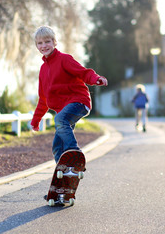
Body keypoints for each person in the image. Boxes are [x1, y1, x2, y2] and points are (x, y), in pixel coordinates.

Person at [30, 26, 108, 163]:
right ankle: (65, 172)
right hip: (64, 111)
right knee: (57, 146)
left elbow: (83, 72)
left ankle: (74, 153)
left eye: (47, 41)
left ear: (54, 42)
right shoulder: (43, 70)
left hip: (79, 102)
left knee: (60, 120)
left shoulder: (64, 59)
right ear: (36, 46)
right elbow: (43, 99)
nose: (44, 46)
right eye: (40, 43)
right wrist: (36, 121)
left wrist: (96, 79)